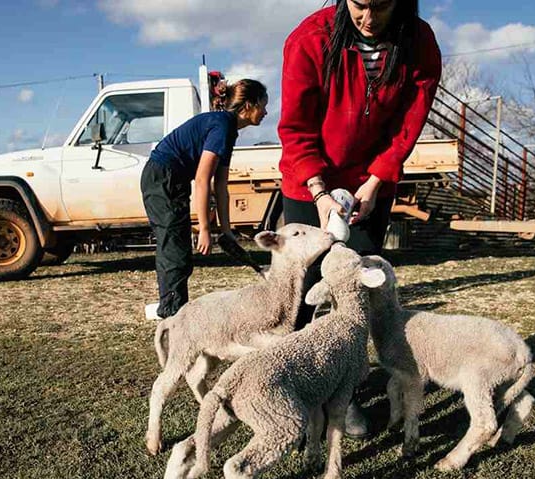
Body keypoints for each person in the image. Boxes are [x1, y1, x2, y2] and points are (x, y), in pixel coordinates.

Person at [277, 0, 442, 437]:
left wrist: (377, 179)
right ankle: (295, 387)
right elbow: (295, 128)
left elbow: (409, 122)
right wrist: (318, 192)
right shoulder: (309, 39)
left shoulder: (419, 42)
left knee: (355, 287)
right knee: (307, 287)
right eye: (359, 4)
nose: (368, 19)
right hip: (310, 181)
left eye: (381, 6)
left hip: (370, 183)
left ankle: (342, 390)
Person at [142, 79, 268, 319]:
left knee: (177, 247)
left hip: (172, 178)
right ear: (248, 105)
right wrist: (205, 229)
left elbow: (220, 185)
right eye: (263, 105)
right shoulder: (222, 126)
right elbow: (202, 179)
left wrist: (227, 231)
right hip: (162, 176)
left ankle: (171, 308)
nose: (266, 112)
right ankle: (171, 314)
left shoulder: (228, 130)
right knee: (175, 249)